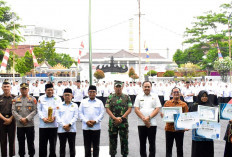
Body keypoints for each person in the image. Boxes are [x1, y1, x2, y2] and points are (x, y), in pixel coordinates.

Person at [105, 81, 132, 157]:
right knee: (112, 141)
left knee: (124, 141)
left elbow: (129, 109)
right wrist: (115, 118)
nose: (118, 88)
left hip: (123, 123)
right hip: (113, 123)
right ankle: (112, 155)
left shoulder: (127, 97)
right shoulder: (110, 97)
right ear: (114, 87)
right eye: (117, 87)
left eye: (120, 87)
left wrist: (122, 118)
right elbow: (107, 109)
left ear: (122, 87)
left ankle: (124, 155)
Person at [134, 81, 161, 157]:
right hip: (141, 123)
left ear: (151, 87)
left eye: (148, 86)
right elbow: (136, 109)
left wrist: (148, 118)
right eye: (145, 86)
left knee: (152, 143)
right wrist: (144, 119)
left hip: (152, 123)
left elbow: (157, 108)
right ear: (142, 87)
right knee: (142, 143)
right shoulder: (138, 96)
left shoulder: (155, 96)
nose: (147, 88)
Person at [161, 87, 188, 157]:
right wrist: (162, 115)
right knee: (168, 149)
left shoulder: (184, 105)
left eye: (177, 92)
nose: (176, 93)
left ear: (180, 94)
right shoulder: (167, 103)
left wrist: (187, 127)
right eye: (174, 92)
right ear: (171, 94)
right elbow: (164, 115)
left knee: (179, 149)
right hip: (169, 129)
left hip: (179, 130)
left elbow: (187, 117)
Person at [12, 83, 37, 157]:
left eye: (25, 89)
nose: (24, 90)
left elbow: (35, 110)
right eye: (22, 89)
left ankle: (31, 155)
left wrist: (26, 119)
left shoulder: (33, 99)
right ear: (20, 89)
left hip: (30, 124)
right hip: (20, 125)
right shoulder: (15, 99)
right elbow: (13, 111)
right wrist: (20, 119)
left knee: (30, 142)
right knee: (21, 142)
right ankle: (21, 155)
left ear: (28, 89)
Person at [79, 85, 105, 157]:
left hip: (96, 127)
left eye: (93, 92)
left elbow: (102, 113)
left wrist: (95, 121)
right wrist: (86, 121)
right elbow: (80, 113)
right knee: (87, 147)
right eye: (90, 92)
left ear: (96, 93)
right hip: (86, 127)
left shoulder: (99, 102)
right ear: (88, 93)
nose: (92, 93)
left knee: (96, 146)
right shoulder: (83, 102)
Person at [37, 83, 62, 157]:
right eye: (48, 90)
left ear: (53, 90)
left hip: (54, 125)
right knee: (42, 144)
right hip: (43, 125)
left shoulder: (58, 98)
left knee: (53, 144)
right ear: (45, 91)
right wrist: (43, 118)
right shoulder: (41, 98)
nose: (50, 91)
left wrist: (55, 117)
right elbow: (39, 110)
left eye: (51, 90)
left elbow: (59, 109)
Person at [190, 90, 214, 157]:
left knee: (207, 150)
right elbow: (191, 118)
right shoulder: (194, 106)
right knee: (198, 150)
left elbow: (216, 120)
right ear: (199, 96)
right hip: (198, 134)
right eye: (202, 96)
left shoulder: (211, 106)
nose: (204, 98)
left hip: (208, 133)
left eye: (206, 96)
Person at [56, 88, 78, 157]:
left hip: (72, 129)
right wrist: (63, 125)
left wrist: (69, 125)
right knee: (62, 147)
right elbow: (57, 116)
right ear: (63, 96)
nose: (67, 96)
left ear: (72, 96)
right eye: (65, 95)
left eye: (68, 95)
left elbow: (75, 116)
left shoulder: (75, 105)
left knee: (72, 147)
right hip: (61, 130)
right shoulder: (59, 105)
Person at [0, 80, 16, 157]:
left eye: (7, 87)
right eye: (4, 87)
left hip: (12, 120)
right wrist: (5, 119)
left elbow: (17, 110)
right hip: (1, 120)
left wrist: (10, 119)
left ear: (10, 87)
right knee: (2, 140)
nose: (6, 88)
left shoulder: (15, 98)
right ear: (2, 88)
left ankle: (11, 155)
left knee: (11, 139)